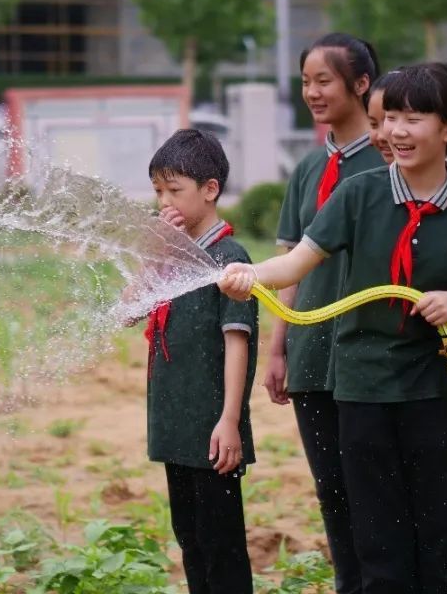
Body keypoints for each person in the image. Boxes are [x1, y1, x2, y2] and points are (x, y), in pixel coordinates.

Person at [221, 63, 447, 593]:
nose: (396, 132)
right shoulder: (359, 194)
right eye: (391, 118)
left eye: (414, 118)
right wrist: (250, 275)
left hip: (437, 390)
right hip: (360, 388)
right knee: (378, 533)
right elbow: (294, 264)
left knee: (443, 530)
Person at [268, 32, 384, 594]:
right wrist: (277, 347)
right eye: (306, 82)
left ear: (361, 84)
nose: (312, 93)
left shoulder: (388, 165)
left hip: (368, 356)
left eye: (324, 81)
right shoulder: (309, 168)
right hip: (311, 355)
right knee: (332, 487)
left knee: (374, 486)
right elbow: (288, 262)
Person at [142, 128, 258, 594]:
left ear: (210, 190)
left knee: (221, 543)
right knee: (189, 537)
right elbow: (128, 310)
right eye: (157, 191)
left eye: (174, 190)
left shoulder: (229, 259)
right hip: (175, 423)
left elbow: (238, 342)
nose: (163, 202)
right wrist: (153, 256)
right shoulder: (170, 258)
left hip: (213, 429)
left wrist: (230, 419)